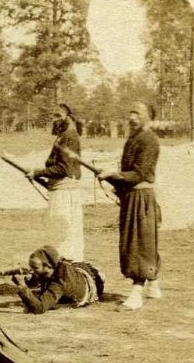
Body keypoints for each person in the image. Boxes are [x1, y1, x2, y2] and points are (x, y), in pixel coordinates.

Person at [99, 102, 161, 311]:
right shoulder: (132, 139)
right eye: (131, 112)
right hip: (130, 197)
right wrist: (112, 180)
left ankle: (136, 294)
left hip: (141, 197)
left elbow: (139, 174)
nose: (132, 117)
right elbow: (126, 175)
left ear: (148, 118)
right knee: (138, 241)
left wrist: (113, 175)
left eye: (138, 113)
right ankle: (153, 285)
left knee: (139, 243)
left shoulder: (150, 140)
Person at [33, 104, 86, 261]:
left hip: (64, 195)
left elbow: (63, 169)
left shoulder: (69, 136)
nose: (54, 120)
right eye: (53, 116)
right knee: (60, 236)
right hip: (60, 191)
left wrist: (37, 172)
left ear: (66, 117)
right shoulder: (64, 136)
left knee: (62, 237)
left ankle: (67, 272)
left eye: (57, 116)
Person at [12, 246, 105, 314]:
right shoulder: (54, 267)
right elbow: (39, 279)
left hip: (92, 281)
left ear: (48, 266)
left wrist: (22, 286)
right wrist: (30, 279)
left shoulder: (61, 282)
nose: (31, 270)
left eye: (35, 267)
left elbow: (39, 308)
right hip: (78, 270)